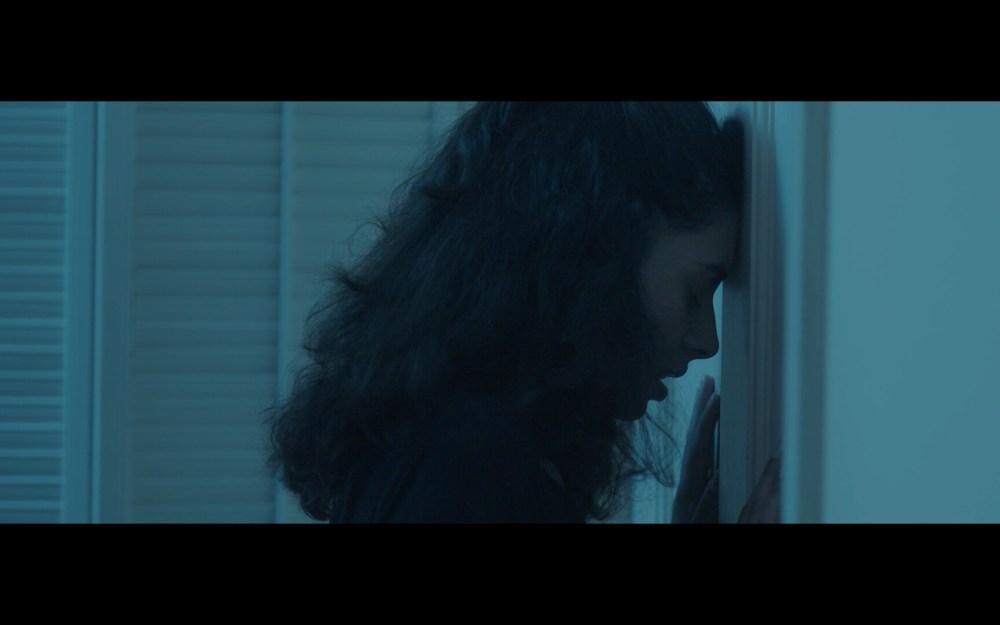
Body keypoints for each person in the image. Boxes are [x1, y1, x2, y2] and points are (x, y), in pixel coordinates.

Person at [264, 102, 780, 523]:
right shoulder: (467, 466)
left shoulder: (454, 444)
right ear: (593, 262)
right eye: (695, 292)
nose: (707, 341)